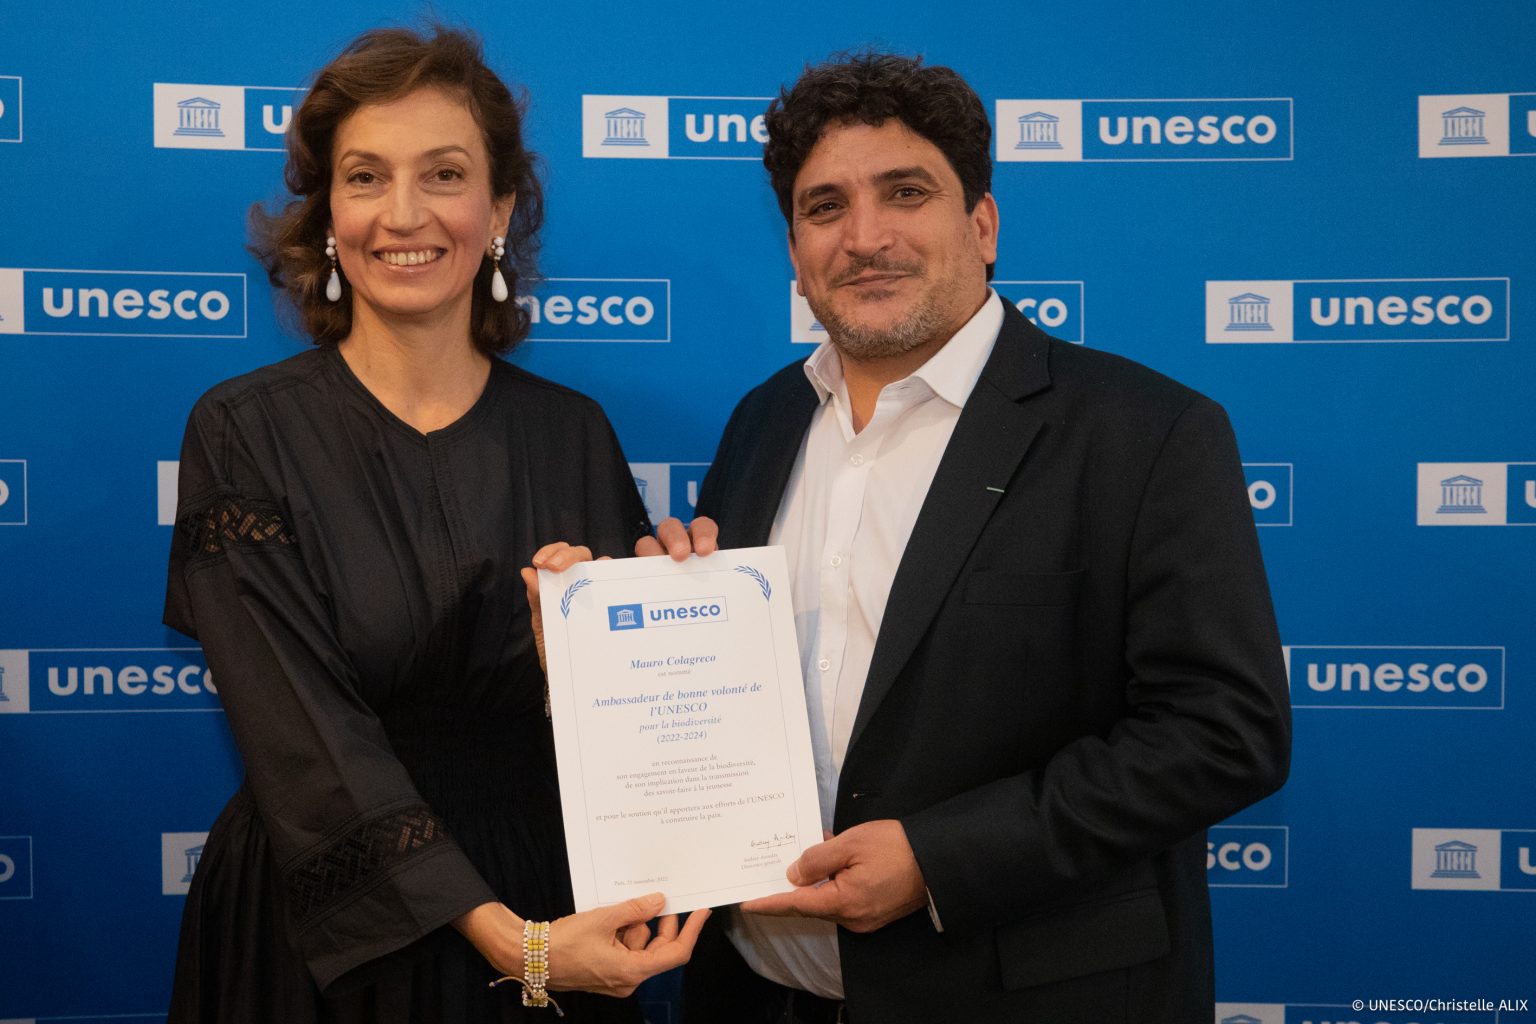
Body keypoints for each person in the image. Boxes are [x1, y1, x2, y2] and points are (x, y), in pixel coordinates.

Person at [679, 52, 1292, 1023]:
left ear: (982, 223)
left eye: (906, 192)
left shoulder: (1144, 432)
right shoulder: (763, 422)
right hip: (761, 993)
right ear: (794, 248)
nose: (864, 237)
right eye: (825, 207)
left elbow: (1225, 732)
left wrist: (938, 859)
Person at [163, 26, 705, 1023]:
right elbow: (303, 737)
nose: (402, 213)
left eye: (444, 174)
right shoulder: (243, 432)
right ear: (328, 214)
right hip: (328, 923)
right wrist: (514, 942)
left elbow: (628, 735)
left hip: (552, 900)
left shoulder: (573, 433)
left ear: (497, 211)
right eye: (365, 176)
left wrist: (672, 627)